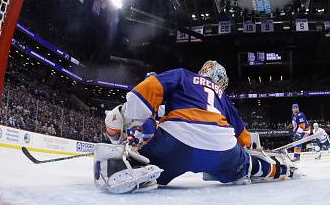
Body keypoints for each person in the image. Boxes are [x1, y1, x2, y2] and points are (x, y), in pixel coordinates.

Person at [98, 61, 300, 194]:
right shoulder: (223, 96)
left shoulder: (183, 75)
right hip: (222, 150)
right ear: (219, 79)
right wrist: (247, 151)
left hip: (176, 143)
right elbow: (244, 137)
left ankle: (129, 168)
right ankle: (280, 170)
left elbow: (145, 92)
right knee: (247, 165)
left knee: (144, 162)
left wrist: (125, 114)